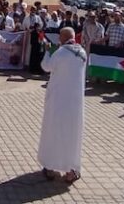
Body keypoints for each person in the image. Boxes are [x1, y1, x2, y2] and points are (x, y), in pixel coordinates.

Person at [38, 27, 86, 184]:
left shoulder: (61, 53)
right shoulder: (82, 53)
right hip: (75, 104)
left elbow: (46, 66)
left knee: (54, 132)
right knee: (72, 134)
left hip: (58, 101)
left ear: (63, 38)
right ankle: (72, 170)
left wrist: (47, 51)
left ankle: (50, 167)